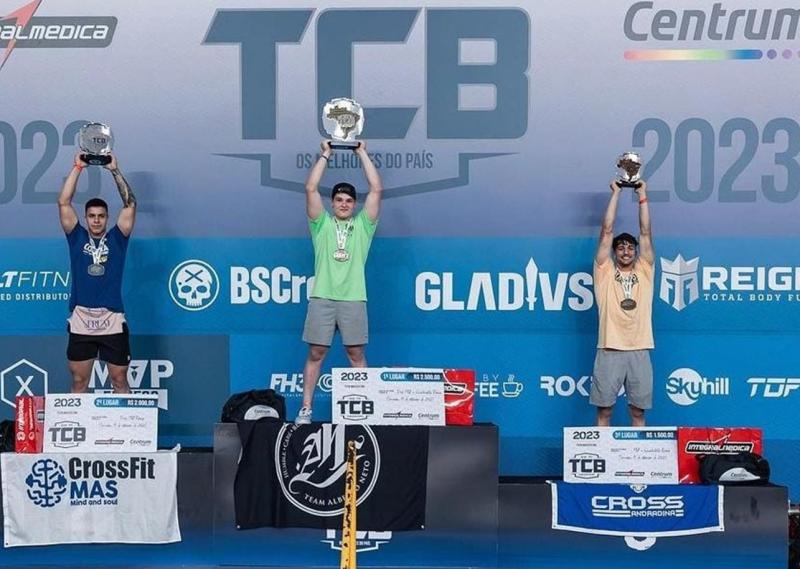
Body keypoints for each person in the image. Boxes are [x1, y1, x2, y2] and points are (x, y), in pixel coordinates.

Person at [295, 140, 383, 424]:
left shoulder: (363, 226)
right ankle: (306, 409)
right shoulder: (320, 224)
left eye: (348, 200)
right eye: (338, 200)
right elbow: (310, 189)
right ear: (332, 203)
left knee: (356, 354)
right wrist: (325, 154)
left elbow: (377, 189)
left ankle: (364, 409)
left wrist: (361, 153)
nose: (343, 204)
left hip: (354, 298)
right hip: (323, 296)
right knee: (316, 352)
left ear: (354, 205)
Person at [58, 153, 136, 393]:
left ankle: (126, 432)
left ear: (107, 218)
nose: (96, 220)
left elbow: (130, 204)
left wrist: (114, 170)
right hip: (82, 319)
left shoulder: (118, 237)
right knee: (80, 383)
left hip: (111, 320)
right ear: (85, 218)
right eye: (91, 216)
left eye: (101, 216)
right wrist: (77, 168)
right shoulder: (76, 236)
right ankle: (78, 428)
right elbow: (63, 203)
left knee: (120, 381)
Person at [591, 179, 654, 426]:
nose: (626, 251)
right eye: (620, 248)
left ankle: (639, 461)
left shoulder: (645, 270)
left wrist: (643, 195)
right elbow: (606, 232)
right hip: (609, 348)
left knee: (638, 413)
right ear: (614, 252)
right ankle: (603, 460)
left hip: (639, 348)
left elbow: (646, 232)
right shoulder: (604, 271)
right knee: (604, 412)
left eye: (630, 248)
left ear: (636, 252)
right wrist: (616, 193)